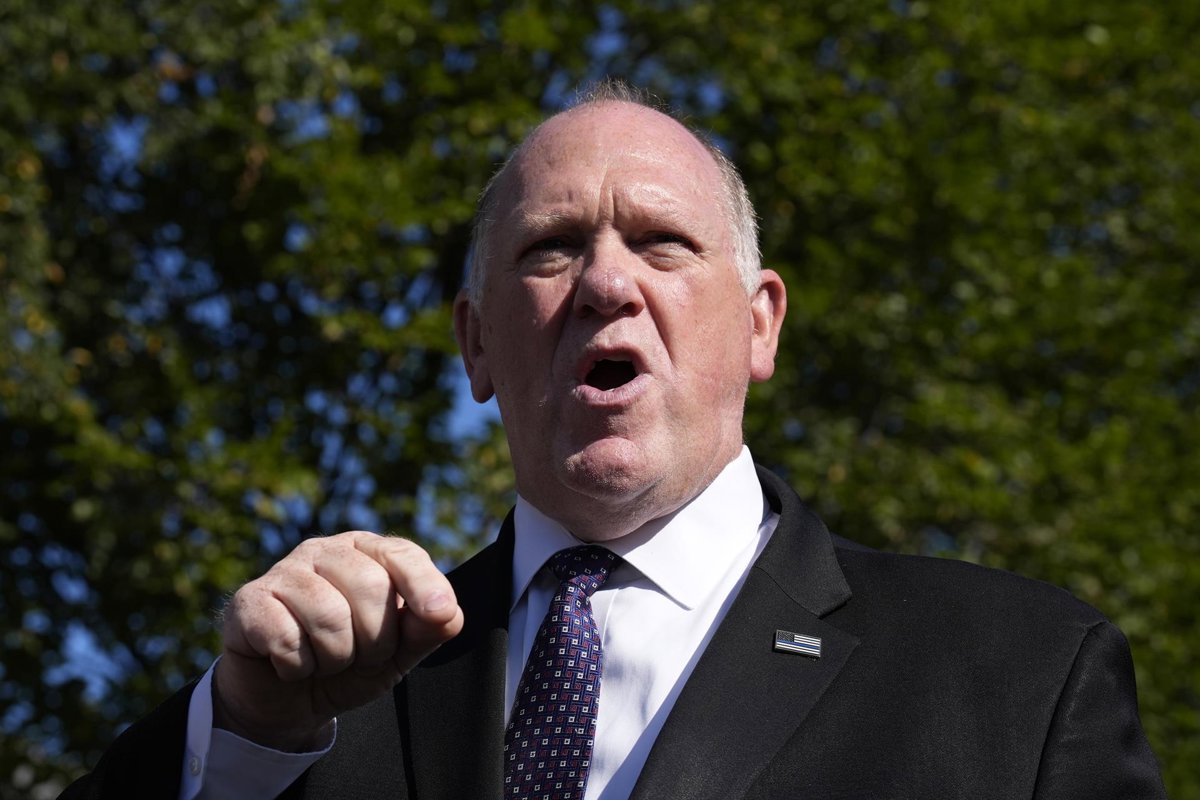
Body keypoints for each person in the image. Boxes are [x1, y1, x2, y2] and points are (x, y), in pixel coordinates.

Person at [62, 82, 1166, 799]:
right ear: (476, 344)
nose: (605, 282)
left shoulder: (1018, 677)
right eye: (551, 248)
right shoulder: (319, 703)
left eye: (662, 242)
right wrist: (245, 734)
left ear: (760, 324)